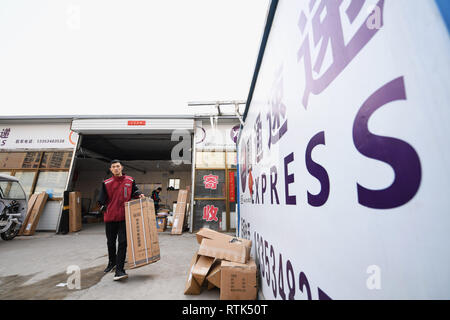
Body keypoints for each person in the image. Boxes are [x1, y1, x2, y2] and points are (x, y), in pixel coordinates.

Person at [97, 159, 145, 281]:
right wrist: (103, 207)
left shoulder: (130, 180)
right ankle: (111, 263)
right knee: (111, 242)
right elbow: (101, 200)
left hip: (125, 217)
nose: (116, 168)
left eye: (118, 166)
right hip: (110, 217)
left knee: (123, 242)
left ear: (122, 167)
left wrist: (139, 194)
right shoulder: (106, 183)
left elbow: (135, 191)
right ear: (111, 169)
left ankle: (120, 269)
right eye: (113, 167)